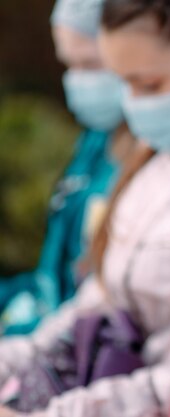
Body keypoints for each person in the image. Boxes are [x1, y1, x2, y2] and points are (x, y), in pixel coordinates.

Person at [0, 0, 170, 415]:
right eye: (122, 84)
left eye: (147, 85)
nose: (132, 105)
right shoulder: (154, 165)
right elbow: (97, 300)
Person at [0, 0, 133, 336]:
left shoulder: (159, 163)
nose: (77, 81)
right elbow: (52, 278)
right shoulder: (96, 142)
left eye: (90, 64)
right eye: (69, 66)